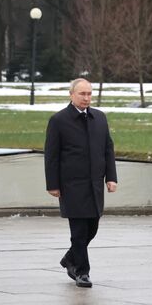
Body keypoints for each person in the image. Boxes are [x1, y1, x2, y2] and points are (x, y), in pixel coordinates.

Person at [44, 78, 117, 288]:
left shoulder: (100, 118)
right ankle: (81, 272)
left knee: (92, 229)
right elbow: (52, 155)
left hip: (94, 186)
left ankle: (69, 258)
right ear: (71, 95)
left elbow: (108, 150)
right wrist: (52, 184)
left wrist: (111, 177)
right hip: (72, 186)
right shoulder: (58, 120)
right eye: (82, 94)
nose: (86, 98)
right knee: (78, 232)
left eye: (89, 94)